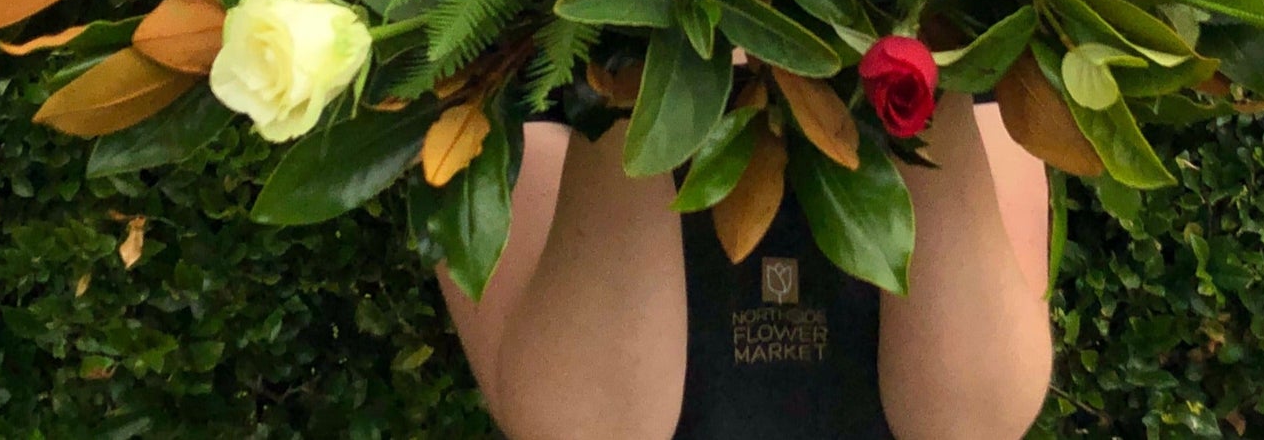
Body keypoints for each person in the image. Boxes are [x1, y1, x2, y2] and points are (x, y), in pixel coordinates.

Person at [436, 90, 1054, 440]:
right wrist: (633, 57)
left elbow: (971, 418)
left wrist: (922, 60)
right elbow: (590, 425)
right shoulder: (520, 71)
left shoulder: (976, 54)